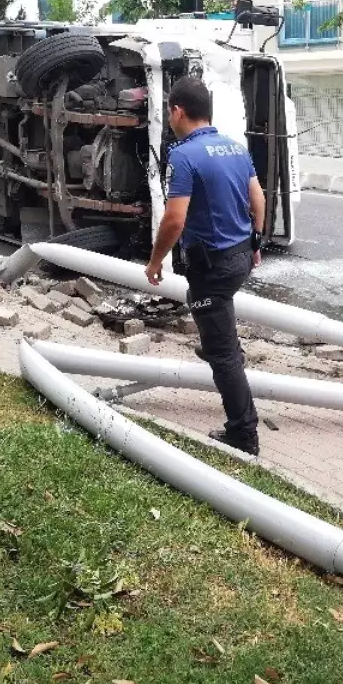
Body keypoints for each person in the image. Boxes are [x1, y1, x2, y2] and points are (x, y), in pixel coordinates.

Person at [145, 76, 265, 456]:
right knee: (214, 309)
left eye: (170, 111)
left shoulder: (182, 155)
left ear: (178, 111)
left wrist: (155, 260)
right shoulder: (234, 147)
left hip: (212, 266)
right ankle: (220, 343)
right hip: (241, 258)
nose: (169, 117)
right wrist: (256, 243)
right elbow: (258, 199)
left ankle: (243, 433)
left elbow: (174, 220)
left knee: (222, 354)